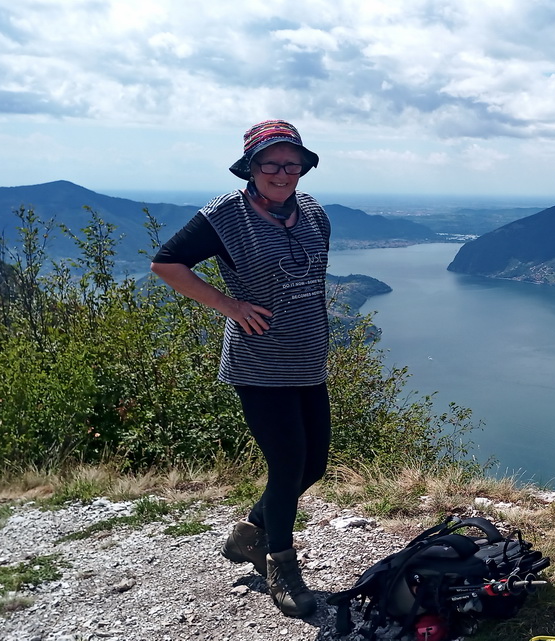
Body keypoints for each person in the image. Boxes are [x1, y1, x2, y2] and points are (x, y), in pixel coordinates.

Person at [150, 120, 331, 619]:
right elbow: (167, 264)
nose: (282, 172)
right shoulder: (227, 214)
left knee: (313, 464)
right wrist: (228, 305)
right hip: (259, 363)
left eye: (292, 163)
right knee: (288, 464)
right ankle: (281, 564)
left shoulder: (313, 212)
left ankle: (249, 534)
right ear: (250, 167)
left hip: (309, 358)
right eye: (270, 162)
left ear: (303, 168)